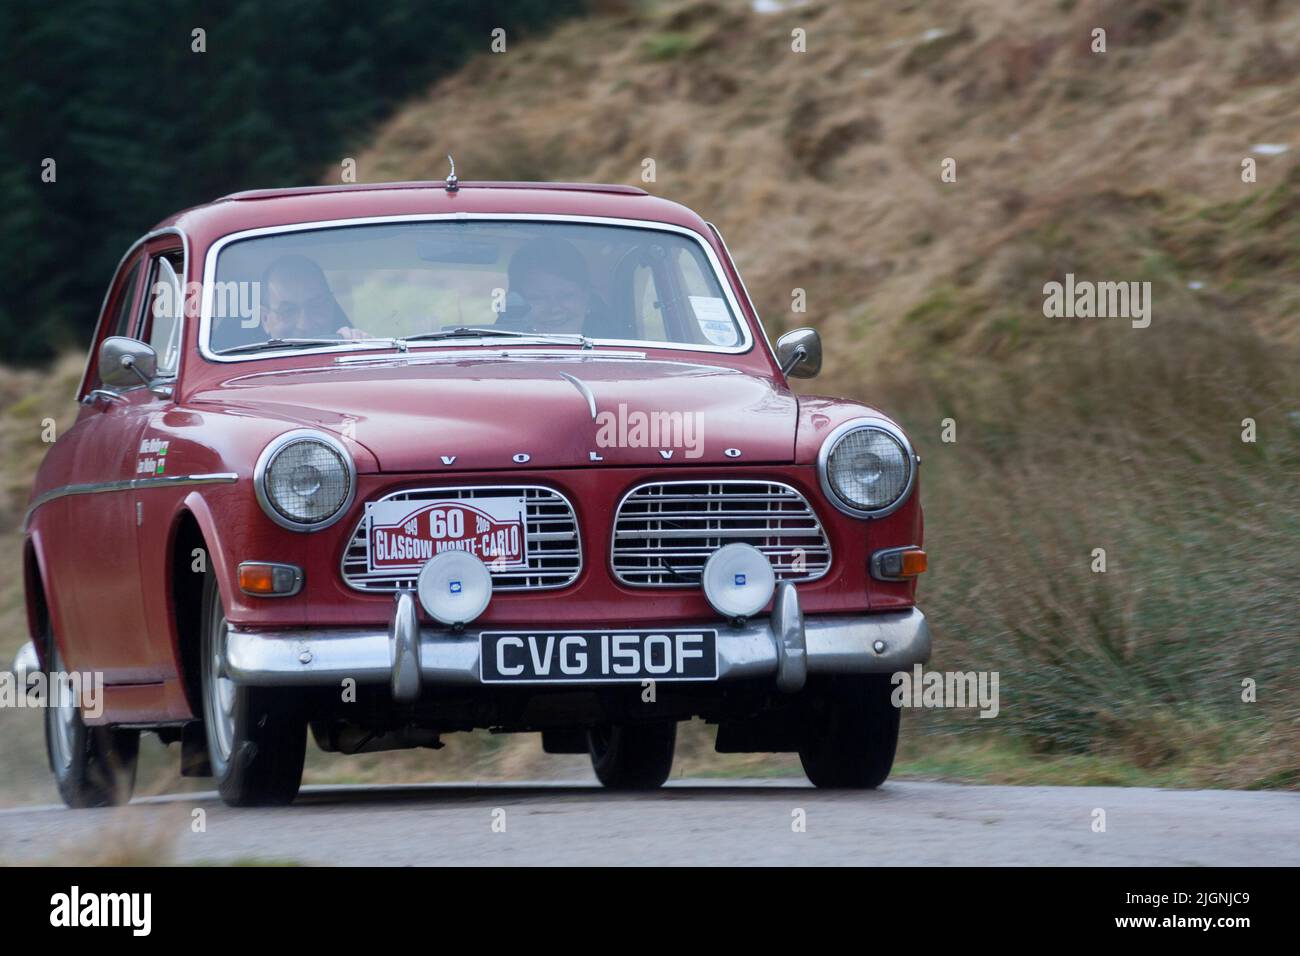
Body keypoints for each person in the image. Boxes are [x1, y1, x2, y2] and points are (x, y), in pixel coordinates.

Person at [501, 238, 597, 335]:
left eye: (566, 295)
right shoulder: (493, 346)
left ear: (587, 298)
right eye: (538, 298)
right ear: (516, 303)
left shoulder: (611, 346)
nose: (555, 309)